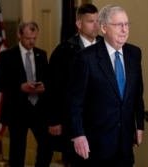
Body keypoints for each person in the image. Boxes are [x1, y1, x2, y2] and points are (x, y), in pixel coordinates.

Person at [68, 4, 145, 167]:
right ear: (103, 27)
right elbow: (75, 102)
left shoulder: (134, 53)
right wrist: (78, 134)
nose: (124, 30)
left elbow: (137, 93)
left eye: (126, 24)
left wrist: (140, 125)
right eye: (119, 25)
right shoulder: (86, 58)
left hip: (125, 143)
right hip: (95, 145)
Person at [47, 3, 102, 167]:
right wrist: (54, 119)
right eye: (91, 21)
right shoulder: (64, 50)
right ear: (79, 24)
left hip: (101, 119)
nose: (96, 25)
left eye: (98, 21)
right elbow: (54, 86)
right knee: (78, 161)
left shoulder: (106, 47)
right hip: (75, 119)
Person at [0, 21, 53, 167]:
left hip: (38, 109)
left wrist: (43, 86)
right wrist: (20, 87)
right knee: (18, 152)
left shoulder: (41, 54)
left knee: (47, 145)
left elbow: (48, 80)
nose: (31, 41)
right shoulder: (7, 56)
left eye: (34, 38)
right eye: (28, 38)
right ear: (19, 35)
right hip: (17, 111)